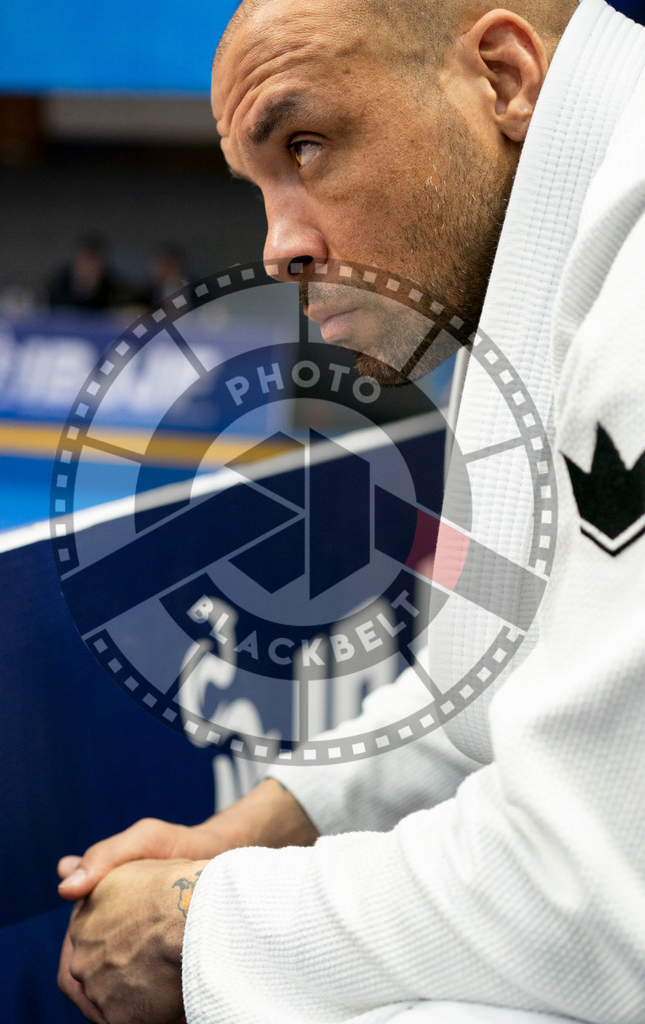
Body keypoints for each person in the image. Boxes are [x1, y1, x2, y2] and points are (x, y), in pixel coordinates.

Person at [56, 0, 645, 1022]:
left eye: (307, 144)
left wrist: (199, 919)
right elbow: (482, 692)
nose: (279, 247)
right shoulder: (534, 266)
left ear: (501, 78)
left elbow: (595, 896)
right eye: (258, 185)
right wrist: (251, 832)